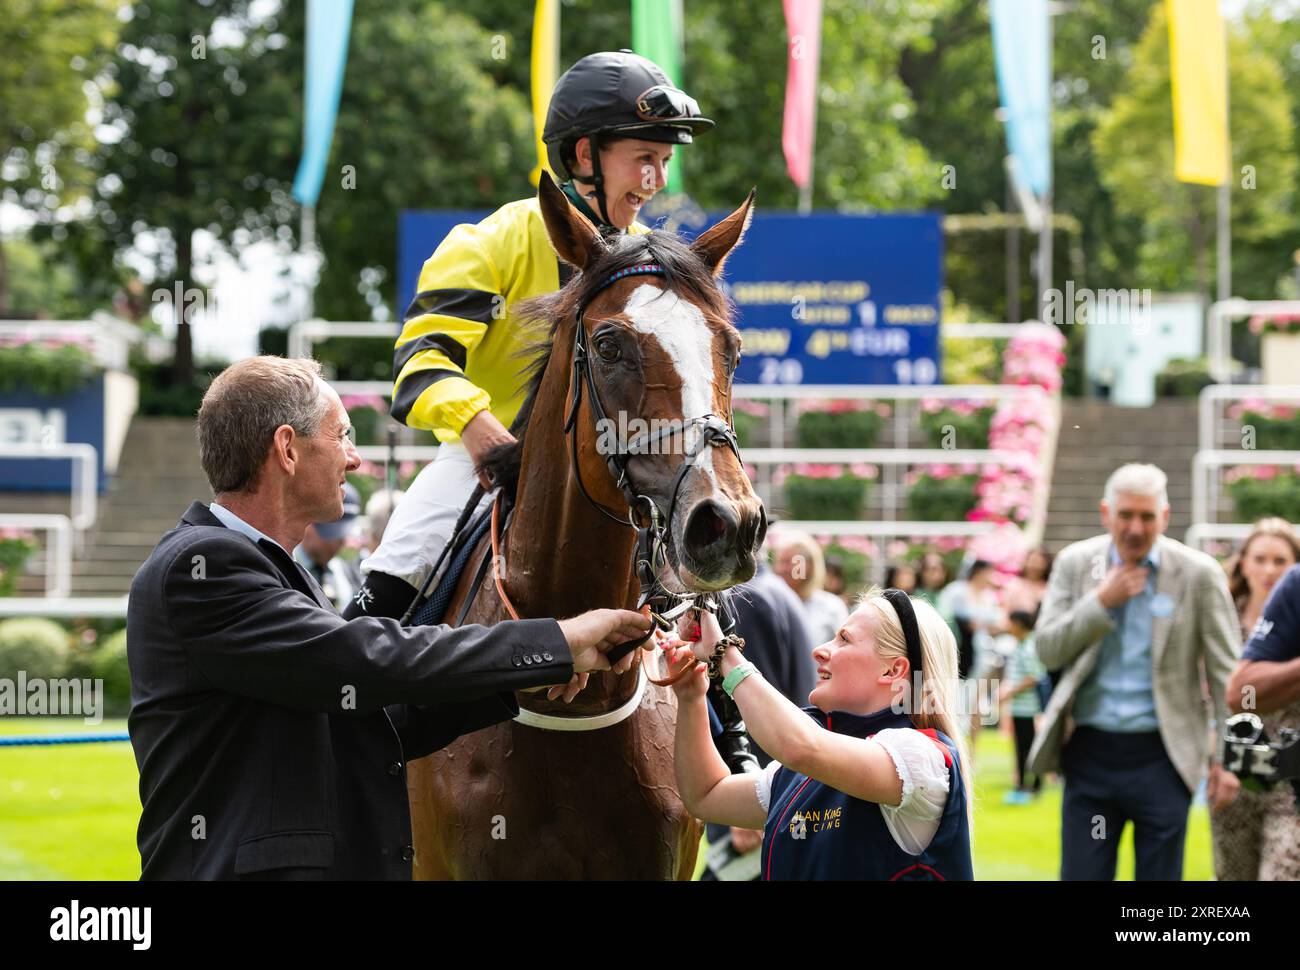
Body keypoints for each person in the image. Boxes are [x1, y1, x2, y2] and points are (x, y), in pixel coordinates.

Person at [126, 356, 652, 880]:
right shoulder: (201, 567)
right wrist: (554, 640)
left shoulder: (271, 570)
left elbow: (375, 724)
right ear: (287, 449)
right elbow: (366, 658)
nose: (354, 459)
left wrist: (526, 683)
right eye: (342, 435)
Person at [351, 49, 714, 620]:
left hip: (624, 470)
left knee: (705, 615)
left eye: (665, 161)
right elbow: (419, 366)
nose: (658, 180)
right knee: (390, 588)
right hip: (484, 465)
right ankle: (350, 698)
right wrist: (484, 436)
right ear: (582, 154)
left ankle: (724, 709)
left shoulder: (652, 265)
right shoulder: (488, 242)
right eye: (646, 158)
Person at [667, 587, 974, 880]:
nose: (820, 650)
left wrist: (724, 654)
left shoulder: (921, 755)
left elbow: (799, 746)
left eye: (844, 639)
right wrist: (692, 696)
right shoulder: (798, 772)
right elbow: (706, 794)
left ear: (892, 672)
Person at [1027, 463, 1240, 881]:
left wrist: (1227, 760)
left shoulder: (1198, 573)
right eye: (1126, 515)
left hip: (1164, 756)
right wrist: (1100, 602)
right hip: (1090, 752)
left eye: (1147, 516)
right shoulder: (1075, 563)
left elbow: (1225, 676)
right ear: (1106, 513)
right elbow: (1047, 650)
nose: (1136, 528)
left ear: (1165, 516)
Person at [1221, 521, 1300, 880]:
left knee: (1282, 871)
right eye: (1260, 559)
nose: (1270, 570)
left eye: (1279, 560)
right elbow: (1225, 697)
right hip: (1238, 767)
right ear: (1244, 563)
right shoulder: (1225, 618)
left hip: (1289, 768)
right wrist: (1213, 761)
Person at [771, 529, 850, 650]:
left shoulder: (832, 607)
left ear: (810, 565)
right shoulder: (769, 604)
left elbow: (845, 650)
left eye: (790, 562)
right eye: (780, 561)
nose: (782, 569)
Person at [999, 610, 1045, 804]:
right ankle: (1026, 785)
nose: (1007, 627)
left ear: (1018, 624)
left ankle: (1029, 786)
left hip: (1027, 707)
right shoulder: (1022, 645)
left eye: (1010, 623)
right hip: (1020, 707)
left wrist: (1010, 692)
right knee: (1022, 746)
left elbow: (1034, 677)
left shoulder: (1029, 647)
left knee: (1027, 747)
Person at [294, 482, 363, 610]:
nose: (340, 543)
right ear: (308, 524)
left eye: (342, 535)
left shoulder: (342, 574)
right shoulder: (286, 570)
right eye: (332, 534)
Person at [1004, 546, 1053, 617]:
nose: (1035, 566)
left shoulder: (1049, 588)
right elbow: (1005, 611)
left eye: (1039, 562)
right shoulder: (1014, 585)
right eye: (1033, 561)